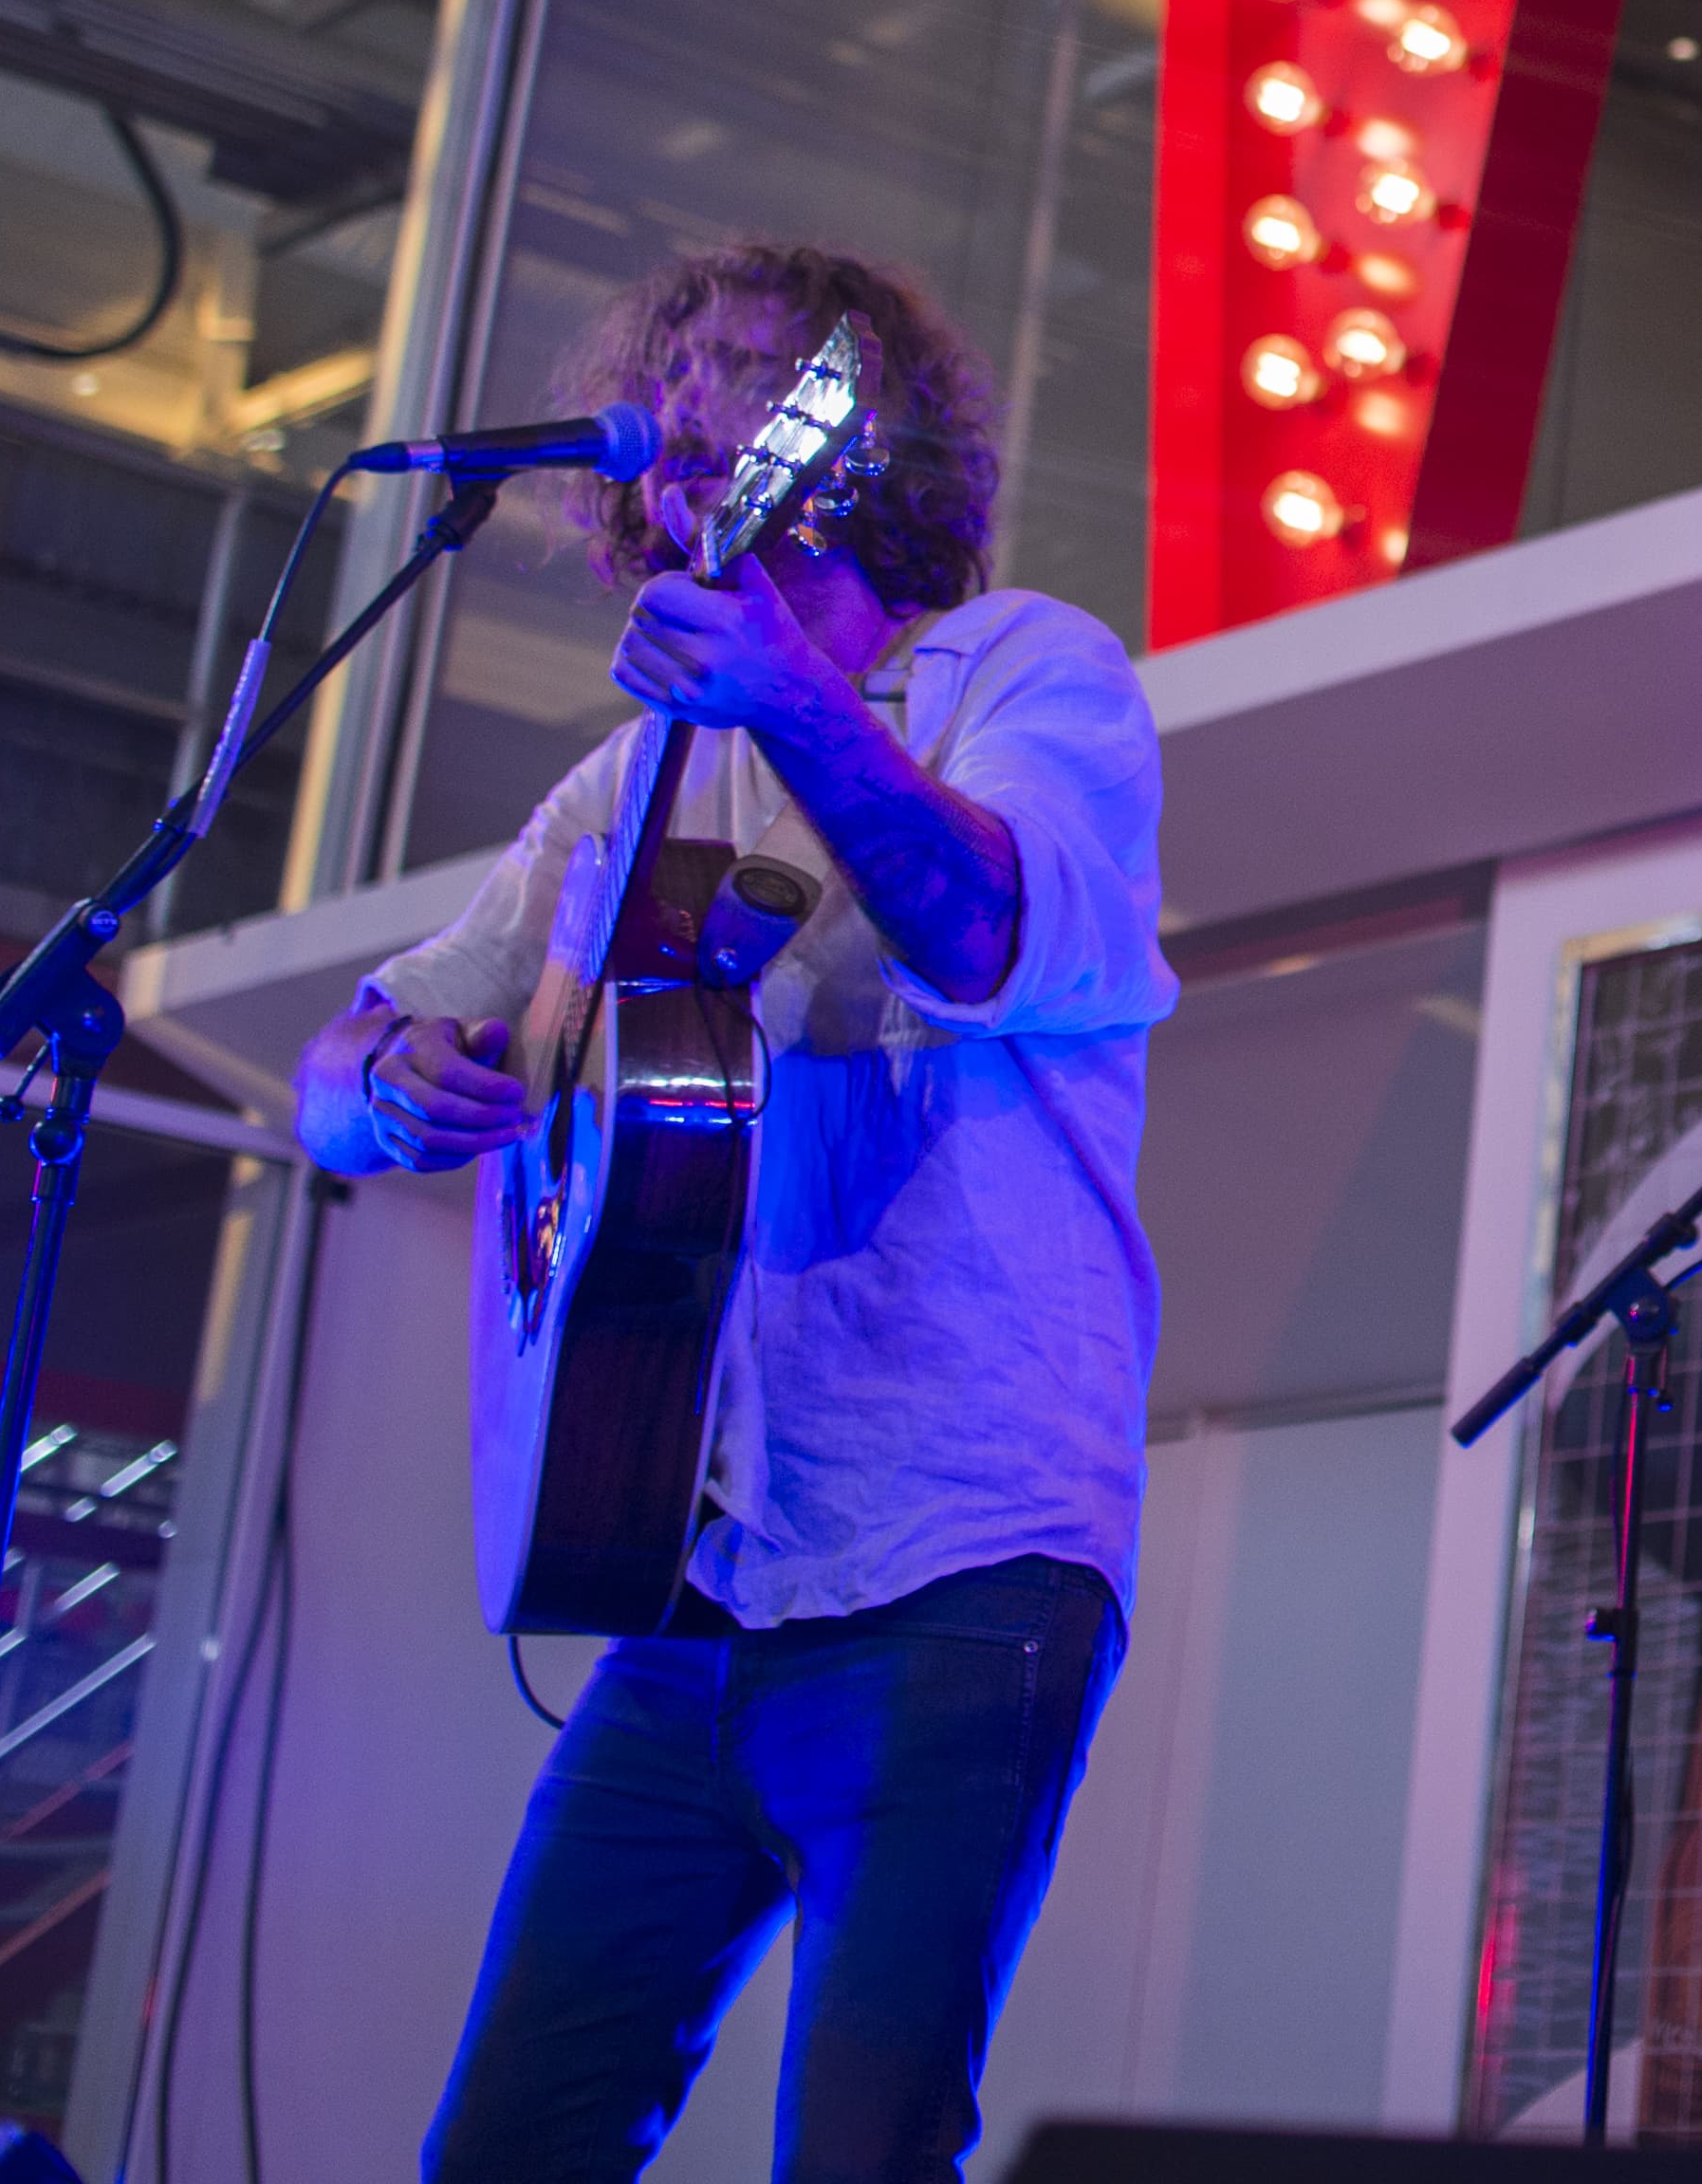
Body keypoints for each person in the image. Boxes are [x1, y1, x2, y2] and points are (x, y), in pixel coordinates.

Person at [289, 244, 1175, 2184]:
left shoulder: (1026, 670)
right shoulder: (629, 777)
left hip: (960, 1557)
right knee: (505, 2150)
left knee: (859, 2153)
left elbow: (979, 923)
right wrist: (384, 1081)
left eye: (756, 369)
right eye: (671, 371)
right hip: (696, 1575)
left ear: (861, 429)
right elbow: (343, 1071)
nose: (693, 404)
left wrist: (792, 697)